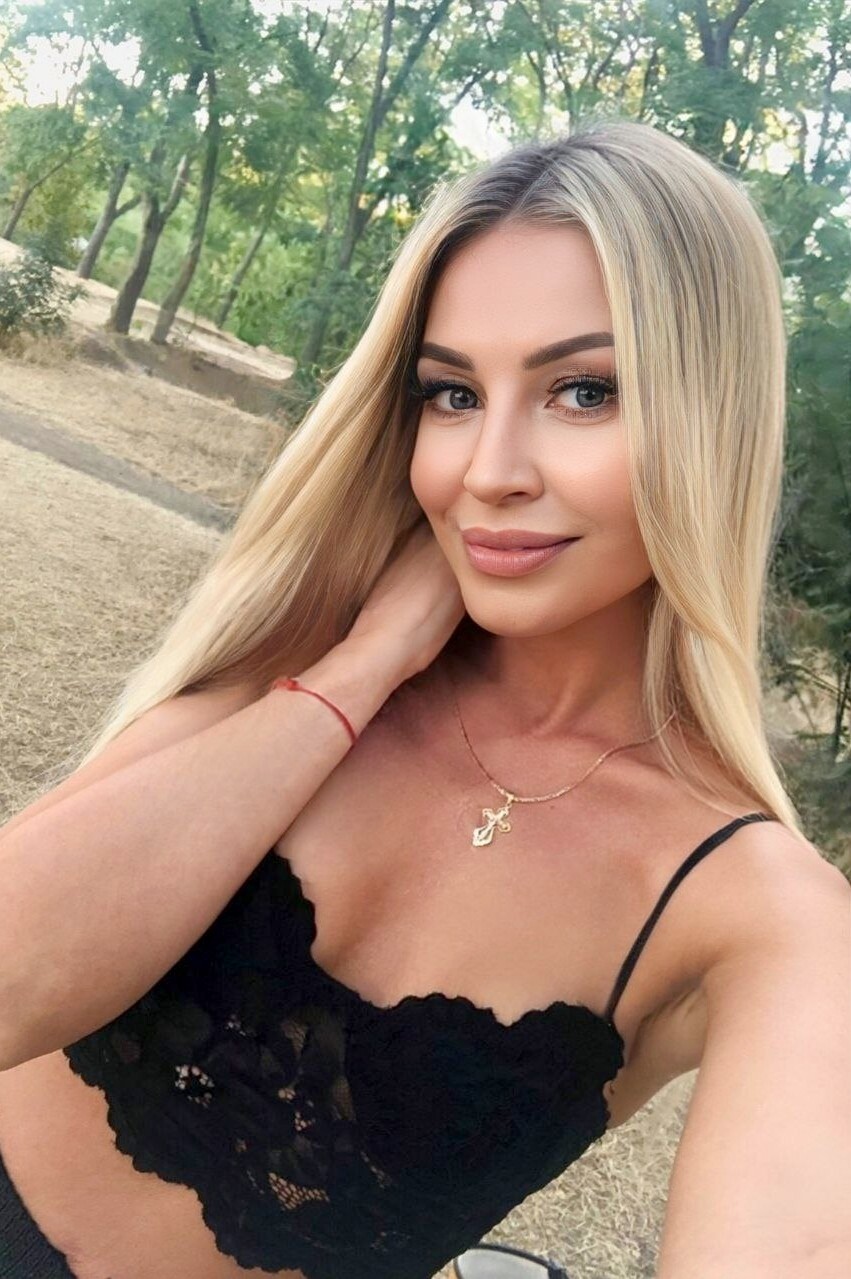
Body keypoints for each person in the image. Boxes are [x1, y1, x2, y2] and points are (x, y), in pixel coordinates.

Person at [0, 118, 847, 1279]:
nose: (484, 471)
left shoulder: (758, 915)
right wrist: (360, 670)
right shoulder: (309, 634)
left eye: (583, 390)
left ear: (717, 424)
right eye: (451, 394)